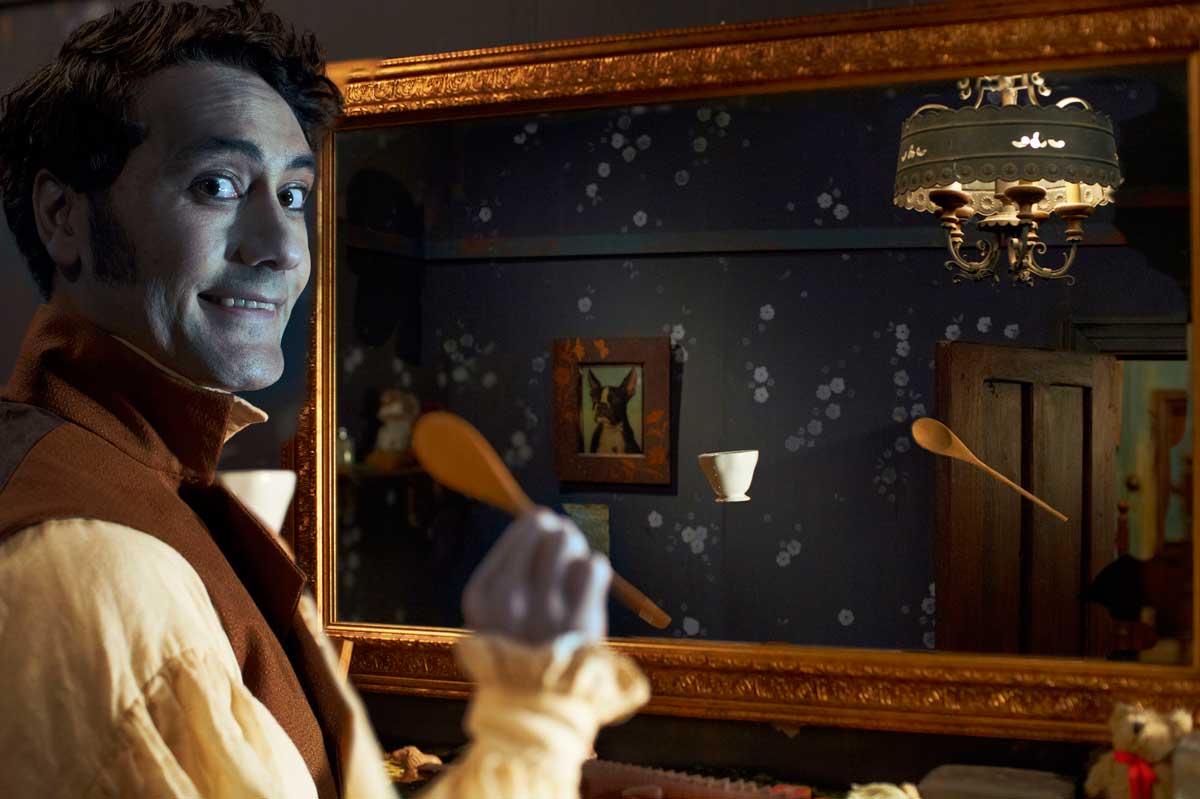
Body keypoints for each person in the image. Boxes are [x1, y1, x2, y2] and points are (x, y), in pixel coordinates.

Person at [0, 1, 648, 797]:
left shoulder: (133, 481)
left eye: (295, 196)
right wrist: (532, 724)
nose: (283, 249)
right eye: (217, 184)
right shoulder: (94, 567)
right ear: (62, 217)